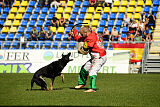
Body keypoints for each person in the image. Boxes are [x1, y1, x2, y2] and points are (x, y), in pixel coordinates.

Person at [68, 26, 107, 92]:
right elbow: (80, 38)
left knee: (92, 71)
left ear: (85, 33)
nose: (81, 35)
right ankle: (81, 83)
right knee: (84, 69)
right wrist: (74, 34)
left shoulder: (91, 38)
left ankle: (92, 88)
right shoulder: (91, 34)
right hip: (95, 57)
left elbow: (87, 48)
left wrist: (81, 49)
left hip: (99, 57)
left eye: (82, 33)